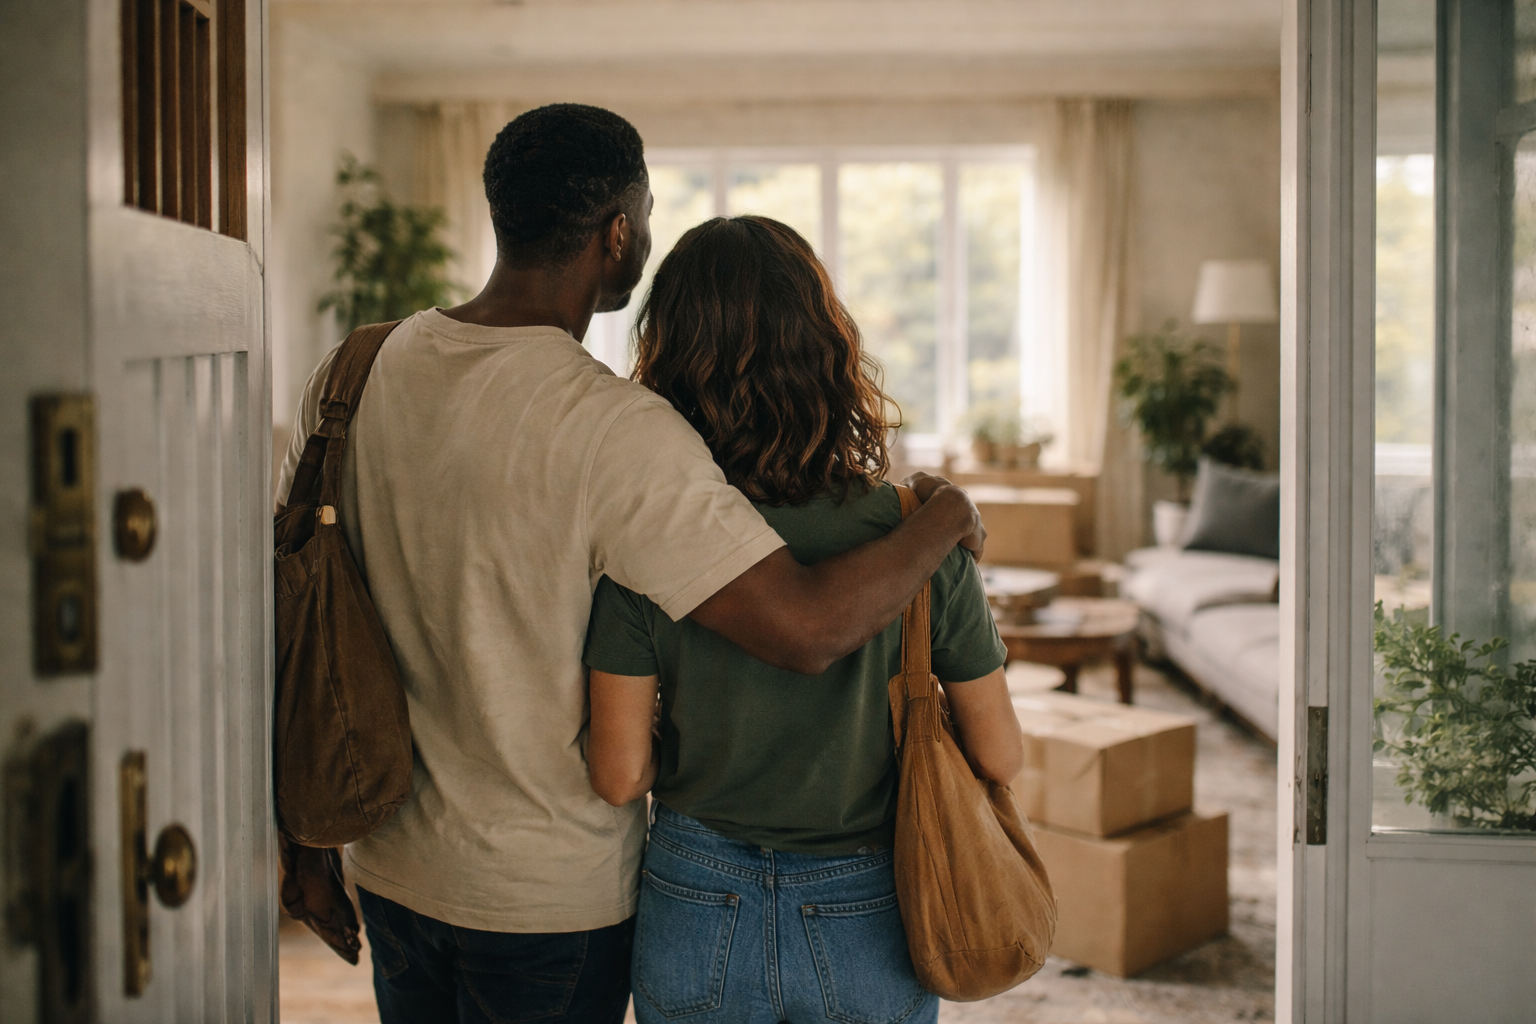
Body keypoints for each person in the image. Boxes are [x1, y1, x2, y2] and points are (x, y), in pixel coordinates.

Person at [275, 105, 986, 1023]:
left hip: (392, 864)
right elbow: (808, 629)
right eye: (645, 217)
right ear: (618, 232)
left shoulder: (356, 369)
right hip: (548, 901)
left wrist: (303, 841)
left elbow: (294, 617)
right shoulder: (615, 428)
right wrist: (944, 516)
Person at [582, 215, 1024, 1024]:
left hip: (694, 893)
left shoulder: (650, 538)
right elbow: (999, 753)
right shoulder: (920, 539)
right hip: (872, 901)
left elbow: (617, 775)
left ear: (667, 359)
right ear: (827, 348)